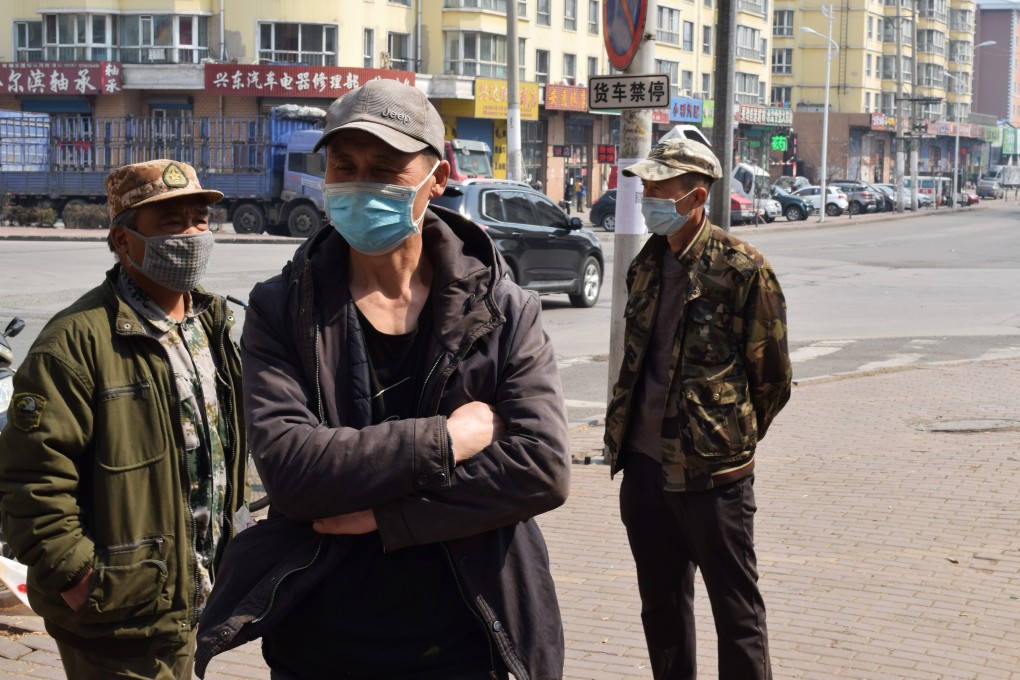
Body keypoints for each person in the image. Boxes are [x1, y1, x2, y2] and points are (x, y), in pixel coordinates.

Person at [195, 78, 571, 679]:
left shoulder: (505, 309)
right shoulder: (281, 308)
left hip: (471, 643)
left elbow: (540, 470)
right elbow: (292, 471)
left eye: (387, 166)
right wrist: (447, 440)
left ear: (437, 179)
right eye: (345, 166)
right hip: (322, 646)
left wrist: (387, 517)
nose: (362, 182)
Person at [0, 159, 248, 678]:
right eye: (171, 223)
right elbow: (31, 484)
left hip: (200, 595)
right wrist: (82, 581)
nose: (193, 235)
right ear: (122, 240)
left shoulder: (211, 324)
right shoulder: (73, 344)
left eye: (200, 220)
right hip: (119, 617)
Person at [604, 138, 792, 680]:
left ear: (696, 196)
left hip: (714, 477)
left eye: (660, 188)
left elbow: (772, 378)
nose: (649, 197)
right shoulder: (645, 265)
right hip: (643, 470)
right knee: (661, 608)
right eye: (647, 187)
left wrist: (725, 436)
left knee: (736, 614)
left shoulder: (742, 270)